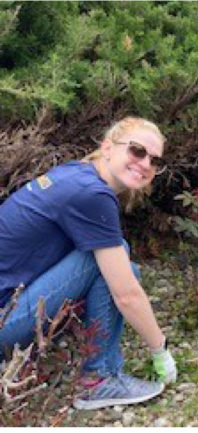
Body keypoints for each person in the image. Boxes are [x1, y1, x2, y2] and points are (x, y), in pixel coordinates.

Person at [0, 116, 175, 410]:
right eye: (137, 150)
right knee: (112, 261)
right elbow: (127, 294)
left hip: (9, 310)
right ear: (107, 148)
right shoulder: (91, 194)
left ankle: (92, 368)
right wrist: (160, 350)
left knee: (120, 264)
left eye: (154, 160)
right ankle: (98, 380)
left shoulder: (76, 173)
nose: (145, 164)